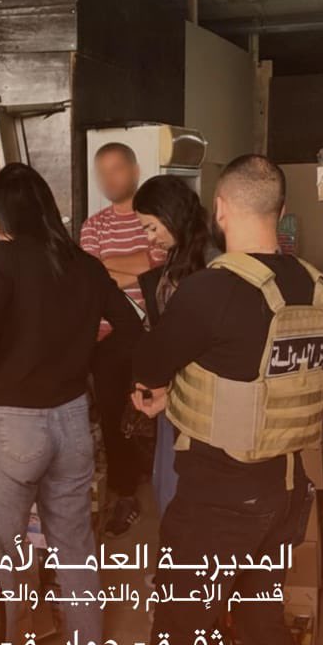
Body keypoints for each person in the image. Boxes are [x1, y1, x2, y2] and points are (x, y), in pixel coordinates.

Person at [132, 155, 323, 645]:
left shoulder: (209, 289)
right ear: (281, 211)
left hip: (218, 501)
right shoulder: (314, 286)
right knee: (263, 624)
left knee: (178, 640)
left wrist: (157, 392)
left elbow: (149, 365)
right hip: (287, 492)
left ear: (220, 209)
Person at [0, 163, 143, 645]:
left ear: (7, 215)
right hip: (71, 421)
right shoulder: (84, 264)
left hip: (14, 423)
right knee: (74, 545)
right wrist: (83, 358)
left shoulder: (4, 260)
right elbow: (131, 324)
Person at [81, 143, 167, 535]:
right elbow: (92, 277)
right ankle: (125, 493)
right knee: (115, 416)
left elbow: (157, 264)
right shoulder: (93, 226)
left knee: (160, 412)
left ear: (134, 170)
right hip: (109, 337)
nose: (109, 178)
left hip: (156, 332)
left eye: (116, 168)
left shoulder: (154, 218)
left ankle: (168, 487)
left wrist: (109, 266)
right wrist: (134, 267)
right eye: (102, 171)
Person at [132, 175, 216, 516]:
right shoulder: (180, 255)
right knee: (167, 487)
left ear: (171, 214)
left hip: (196, 398)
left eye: (152, 228)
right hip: (174, 392)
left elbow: (203, 341)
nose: (150, 238)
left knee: (181, 494)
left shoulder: (211, 262)